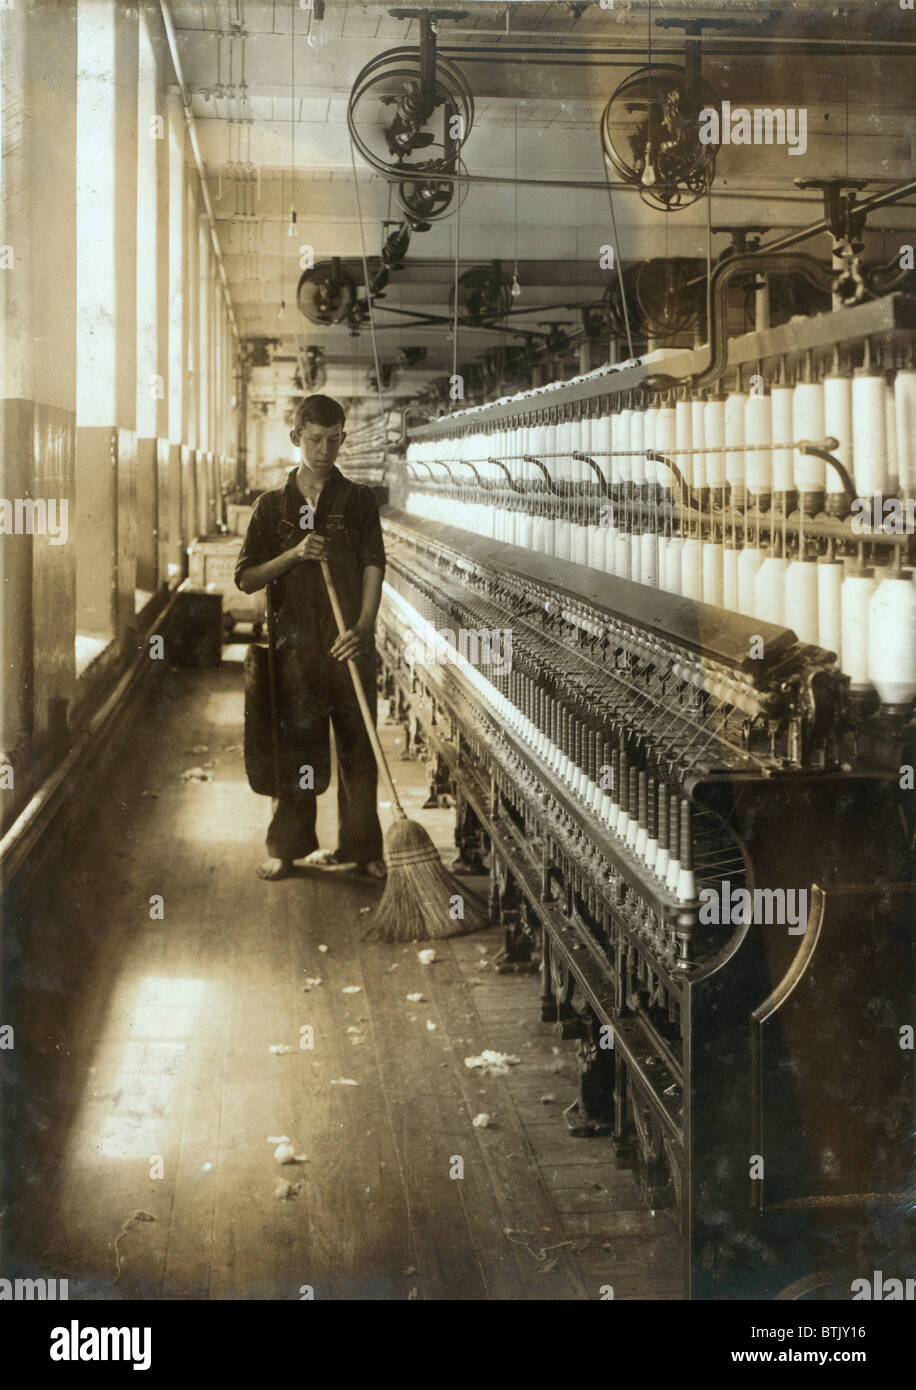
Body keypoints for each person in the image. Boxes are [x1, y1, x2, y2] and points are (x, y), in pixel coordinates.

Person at [235, 394, 386, 881]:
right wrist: (294, 554)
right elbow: (248, 578)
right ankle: (288, 848)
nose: (326, 450)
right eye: (316, 439)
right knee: (296, 746)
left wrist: (364, 627)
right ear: (296, 436)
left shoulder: (359, 500)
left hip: (348, 644)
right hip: (295, 649)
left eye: (335, 439)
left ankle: (362, 851)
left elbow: (372, 565)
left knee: (358, 749)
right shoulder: (272, 506)